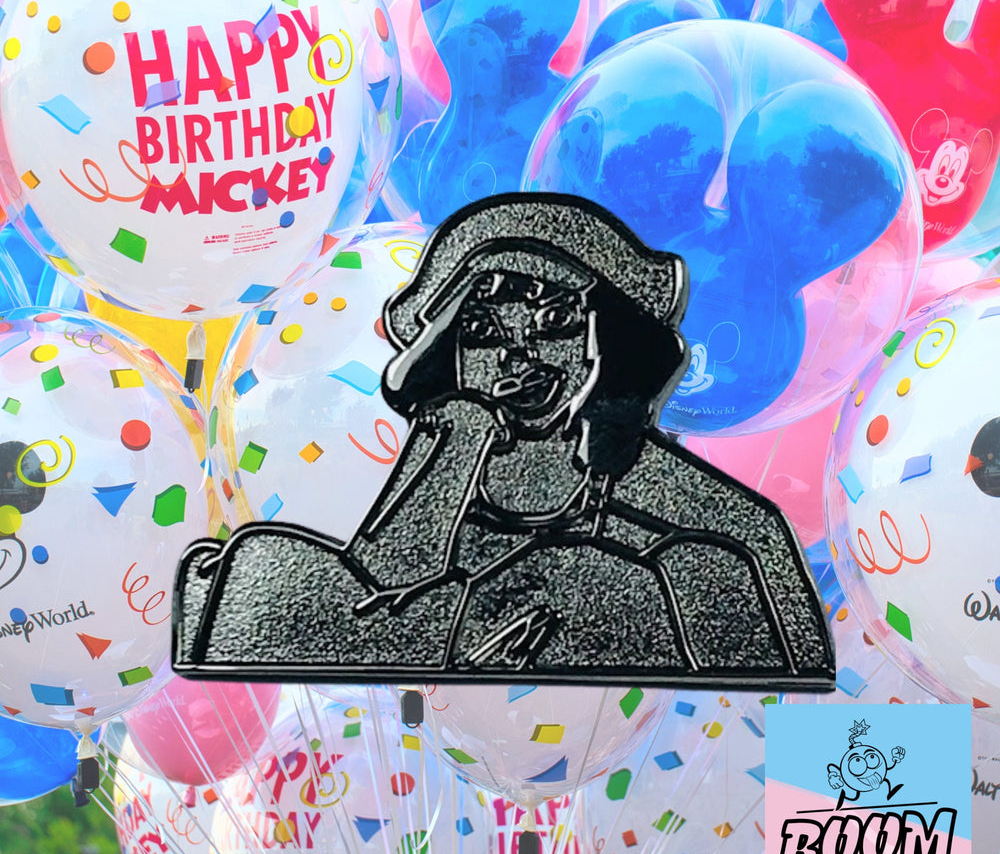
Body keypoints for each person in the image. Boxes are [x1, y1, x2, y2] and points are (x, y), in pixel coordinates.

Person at [173, 193, 834, 689]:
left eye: (554, 320)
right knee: (259, 561)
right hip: (419, 771)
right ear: (447, 354)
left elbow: (814, 709)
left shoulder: (697, 522)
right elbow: (374, 604)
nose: (519, 354)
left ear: (608, 339)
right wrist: (457, 440)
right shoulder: (423, 459)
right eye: (483, 331)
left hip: (697, 794)